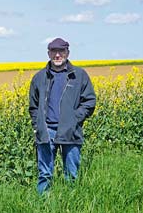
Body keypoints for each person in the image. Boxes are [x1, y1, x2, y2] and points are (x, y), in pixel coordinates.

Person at [28, 37, 96, 193]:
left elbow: (89, 101)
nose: (57, 55)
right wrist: (36, 126)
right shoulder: (39, 78)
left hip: (70, 130)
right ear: (48, 53)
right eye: (54, 51)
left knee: (71, 174)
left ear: (68, 52)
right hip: (46, 131)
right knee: (44, 174)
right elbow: (33, 106)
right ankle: (42, 209)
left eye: (61, 51)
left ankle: (70, 206)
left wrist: (74, 119)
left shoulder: (79, 75)